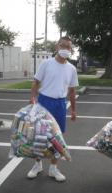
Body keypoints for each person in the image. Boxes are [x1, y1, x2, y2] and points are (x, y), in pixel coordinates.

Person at [27, 36, 78, 182]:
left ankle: (53, 168)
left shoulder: (71, 69)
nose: (65, 49)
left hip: (60, 104)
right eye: (63, 46)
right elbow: (36, 82)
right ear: (57, 46)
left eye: (68, 47)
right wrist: (32, 98)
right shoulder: (46, 63)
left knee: (57, 138)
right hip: (44, 101)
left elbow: (72, 91)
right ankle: (37, 165)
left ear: (71, 49)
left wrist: (73, 110)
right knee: (39, 135)